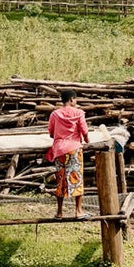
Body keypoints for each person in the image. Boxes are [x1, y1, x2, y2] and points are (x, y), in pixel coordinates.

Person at [46, 89, 90, 219]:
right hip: (74, 149)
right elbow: (84, 130)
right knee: (76, 178)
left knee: (61, 179)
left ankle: (59, 212)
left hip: (59, 150)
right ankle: (78, 211)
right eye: (75, 99)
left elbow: (51, 133)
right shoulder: (79, 113)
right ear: (71, 99)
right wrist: (87, 141)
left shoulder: (55, 114)